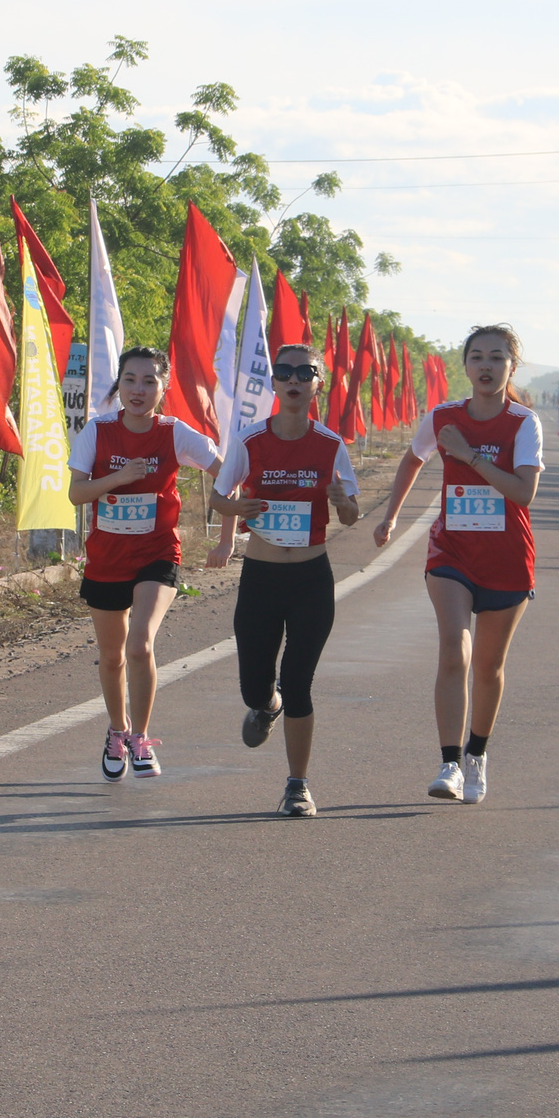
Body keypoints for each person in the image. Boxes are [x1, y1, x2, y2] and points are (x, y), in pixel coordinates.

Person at [373, 324, 544, 806]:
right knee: (455, 650)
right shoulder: (444, 416)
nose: (485, 366)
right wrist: (389, 518)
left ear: (511, 366)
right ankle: (448, 762)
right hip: (452, 553)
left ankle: (477, 754)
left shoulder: (522, 423)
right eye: (476, 357)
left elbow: (522, 492)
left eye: (496, 358)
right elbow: (412, 460)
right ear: (465, 365)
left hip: (508, 558)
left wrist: (468, 456)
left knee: (488, 667)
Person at [206, 345, 361, 817]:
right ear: (274, 382)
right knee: (256, 687)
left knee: (299, 682)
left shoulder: (331, 444)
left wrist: (341, 501)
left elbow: (351, 516)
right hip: (261, 577)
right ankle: (264, 705)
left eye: (305, 372)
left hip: (311, 578)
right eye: (284, 371)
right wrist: (238, 509)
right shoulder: (251, 441)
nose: (294, 379)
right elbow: (217, 498)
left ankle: (298, 785)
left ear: (319, 383)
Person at [68, 346, 223, 783]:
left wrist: (230, 530)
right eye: (131, 380)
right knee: (112, 656)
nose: (139, 390)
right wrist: (119, 478)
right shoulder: (97, 432)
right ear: (119, 383)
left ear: (164, 386)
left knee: (140, 645)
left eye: (149, 381)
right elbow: (76, 494)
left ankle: (140, 736)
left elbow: (226, 473)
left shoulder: (175, 433)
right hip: (106, 558)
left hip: (157, 553)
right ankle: (116, 732)